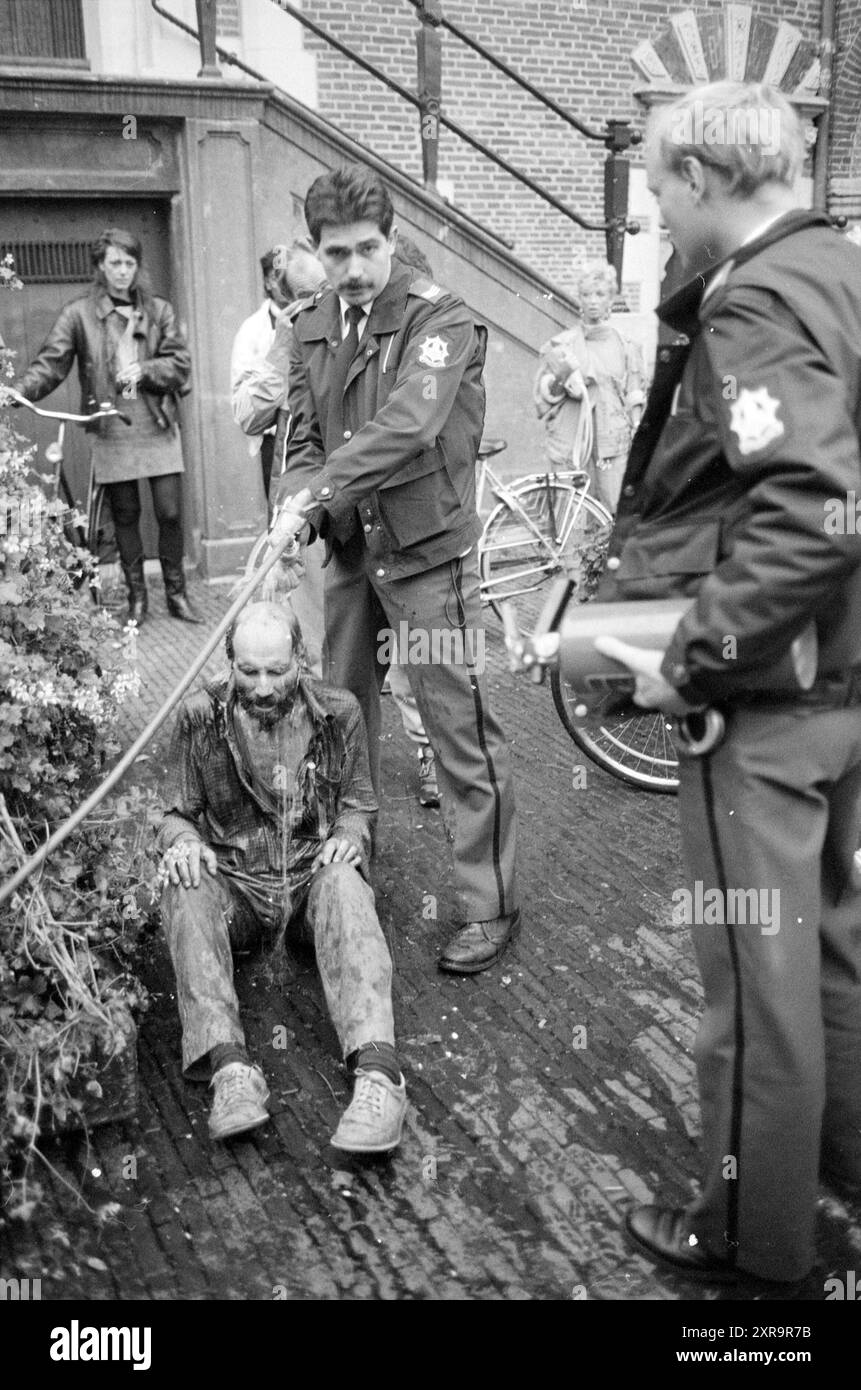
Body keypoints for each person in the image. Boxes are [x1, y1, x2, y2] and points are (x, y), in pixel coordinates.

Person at [594, 81, 861, 1286]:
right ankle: (836, 1162)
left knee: (756, 991)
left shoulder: (752, 297)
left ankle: (754, 1245)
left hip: (767, 698)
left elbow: (810, 511)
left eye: (657, 188)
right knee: (833, 949)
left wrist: (688, 660)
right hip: (843, 681)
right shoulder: (843, 268)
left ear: (702, 175)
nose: (657, 212)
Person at [273, 164, 519, 974]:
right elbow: (302, 438)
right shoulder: (307, 324)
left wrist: (317, 492)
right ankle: (347, 887)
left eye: (367, 249)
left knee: (459, 736)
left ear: (389, 240)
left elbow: (411, 422)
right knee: (342, 724)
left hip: (428, 563)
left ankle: (488, 906)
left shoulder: (437, 319)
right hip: (350, 560)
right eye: (335, 252)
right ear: (316, 251)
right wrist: (294, 504)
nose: (352, 269)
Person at [156, 600, 408, 1151]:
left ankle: (379, 1075)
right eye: (249, 671)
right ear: (228, 661)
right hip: (238, 889)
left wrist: (349, 835)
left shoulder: (339, 711)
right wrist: (183, 840)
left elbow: (360, 804)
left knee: (345, 878)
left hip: (307, 883)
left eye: (278, 670)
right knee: (185, 882)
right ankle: (230, 1069)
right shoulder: (199, 715)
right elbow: (172, 811)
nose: (265, 686)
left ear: (301, 658)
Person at [13, 228, 200, 626]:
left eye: (130, 263)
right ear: (100, 266)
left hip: (157, 423)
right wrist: (16, 392)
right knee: (126, 514)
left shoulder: (159, 311)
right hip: (111, 426)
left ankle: (177, 595)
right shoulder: (78, 314)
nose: (122, 271)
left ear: (137, 267)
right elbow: (51, 363)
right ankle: (138, 600)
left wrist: (146, 369)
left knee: (169, 513)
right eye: (114, 262)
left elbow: (180, 364)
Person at [534, 261, 645, 514]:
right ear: (579, 299)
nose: (593, 301)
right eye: (586, 295)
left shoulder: (626, 346)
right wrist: (564, 377)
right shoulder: (561, 345)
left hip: (611, 439)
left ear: (611, 299)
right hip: (572, 439)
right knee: (570, 510)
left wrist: (637, 429)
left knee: (613, 506)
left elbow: (634, 394)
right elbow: (543, 396)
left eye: (600, 294)